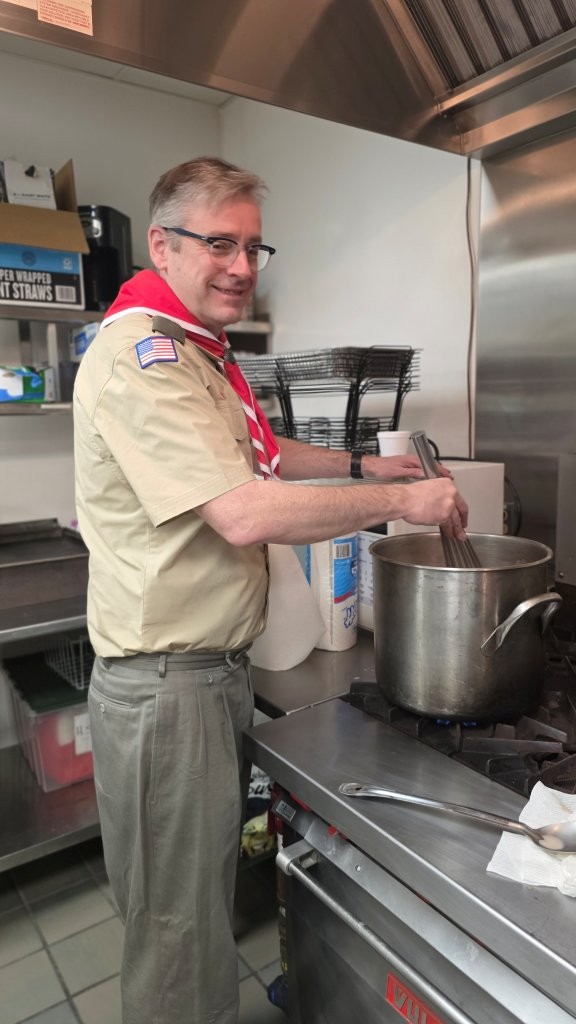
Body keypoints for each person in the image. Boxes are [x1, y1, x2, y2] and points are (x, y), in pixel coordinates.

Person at [73, 156, 468, 1024]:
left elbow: (259, 450)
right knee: (179, 942)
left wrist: (365, 464)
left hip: (204, 677)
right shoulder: (143, 356)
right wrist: (405, 502)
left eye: (254, 247)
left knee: (195, 915)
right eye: (220, 243)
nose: (242, 266)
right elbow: (245, 509)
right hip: (166, 690)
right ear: (163, 244)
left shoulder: (194, 349)